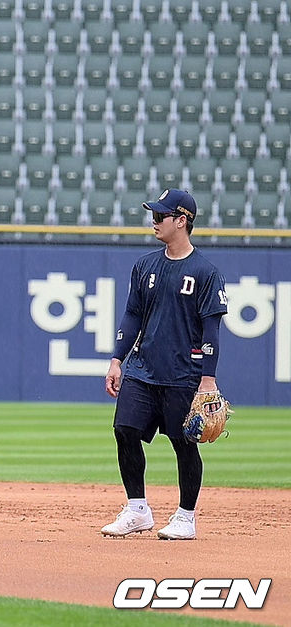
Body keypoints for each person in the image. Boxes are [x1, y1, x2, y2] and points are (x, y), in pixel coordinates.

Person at [102, 189, 228, 540]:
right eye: (154, 216)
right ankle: (137, 509)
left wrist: (208, 380)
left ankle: (186, 516)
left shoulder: (205, 272)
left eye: (160, 216)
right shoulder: (145, 266)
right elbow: (132, 315)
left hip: (183, 374)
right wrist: (117, 360)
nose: (154, 221)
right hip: (142, 370)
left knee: (183, 442)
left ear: (181, 220)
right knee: (124, 431)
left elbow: (211, 331)